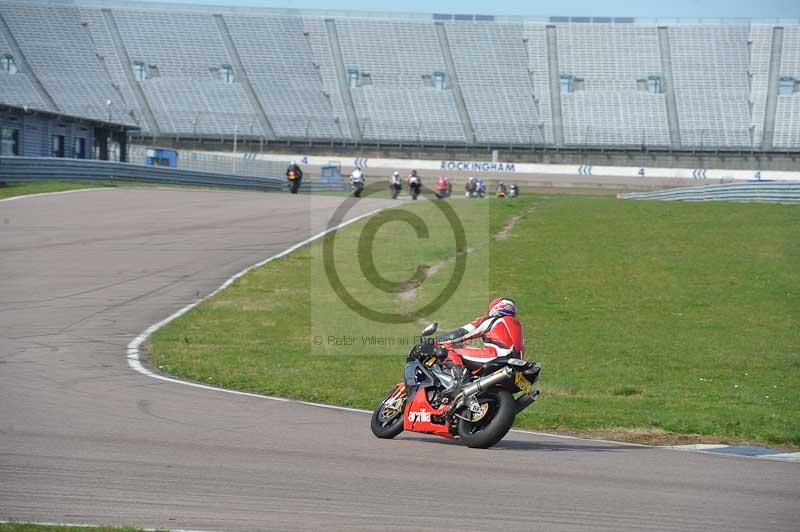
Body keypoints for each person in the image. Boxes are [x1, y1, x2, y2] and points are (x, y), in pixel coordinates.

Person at [434, 298, 524, 369]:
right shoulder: (517, 326)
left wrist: (436, 341)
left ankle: (460, 380)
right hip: (515, 360)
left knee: (450, 349)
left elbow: (462, 333)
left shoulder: (493, 320)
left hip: (496, 354)